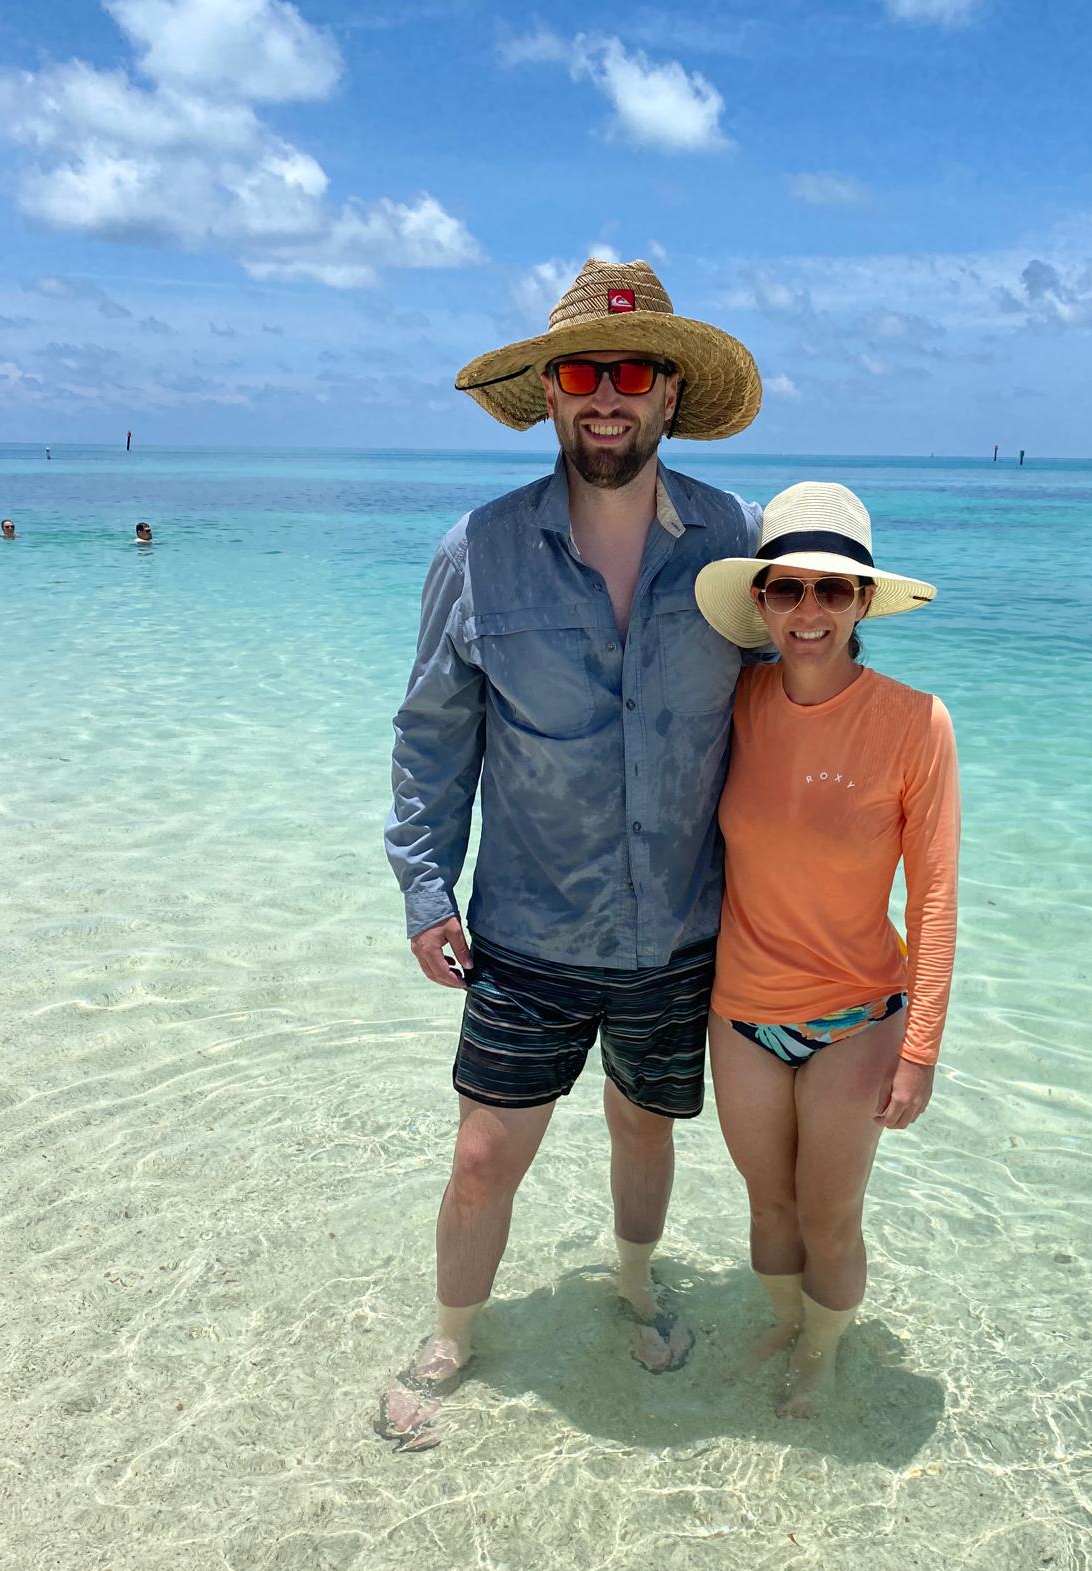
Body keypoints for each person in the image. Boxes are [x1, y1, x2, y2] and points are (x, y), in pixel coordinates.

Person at [380, 258, 762, 1449]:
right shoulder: (478, 549)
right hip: (530, 927)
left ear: (666, 396)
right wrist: (425, 888)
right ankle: (452, 1329)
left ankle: (634, 1283)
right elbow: (432, 736)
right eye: (583, 373)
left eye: (632, 372)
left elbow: (779, 717)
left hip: (680, 929)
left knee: (644, 1128)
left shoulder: (733, 541)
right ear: (549, 394)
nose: (607, 395)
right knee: (485, 1155)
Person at [694, 482, 959, 1418]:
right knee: (768, 1210)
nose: (809, 611)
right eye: (789, 589)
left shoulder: (916, 724)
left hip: (858, 1019)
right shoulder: (730, 700)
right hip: (740, 1015)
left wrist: (920, 1048)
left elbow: (932, 900)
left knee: (828, 1215)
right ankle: (784, 1320)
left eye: (833, 591)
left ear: (862, 604)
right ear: (760, 601)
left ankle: (823, 1356)